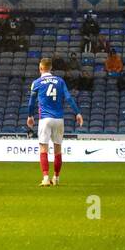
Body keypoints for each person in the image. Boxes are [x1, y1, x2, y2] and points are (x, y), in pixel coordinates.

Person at [26, 58, 83, 187]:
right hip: (59, 119)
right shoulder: (60, 81)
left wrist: (30, 116)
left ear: (40, 68)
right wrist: (78, 113)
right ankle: (56, 178)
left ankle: (46, 177)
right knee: (58, 149)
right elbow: (68, 97)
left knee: (43, 148)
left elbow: (31, 102)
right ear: (51, 68)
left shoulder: (36, 83)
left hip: (45, 119)